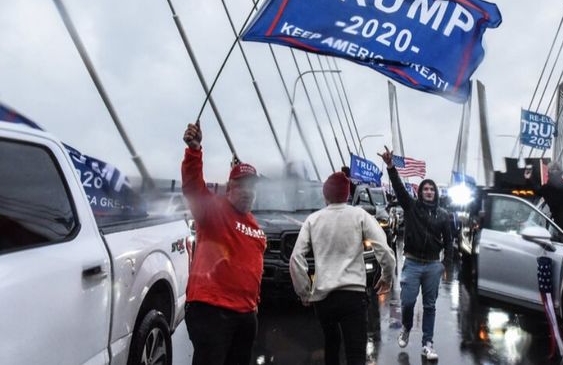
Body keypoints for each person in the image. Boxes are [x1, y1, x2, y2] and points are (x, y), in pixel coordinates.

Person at [181, 122, 267, 365]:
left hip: (245, 314)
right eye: (242, 187)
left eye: (252, 188)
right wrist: (194, 150)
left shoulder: (256, 228)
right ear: (230, 188)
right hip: (212, 310)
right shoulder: (213, 211)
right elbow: (193, 187)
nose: (248, 192)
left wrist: (254, 304)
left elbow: (254, 268)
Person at [290, 171, 395, 365]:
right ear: (347, 194)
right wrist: (386, 277)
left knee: (331, 346)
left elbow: (296, 258)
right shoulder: (359, 215)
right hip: (353, 297)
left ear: (325, 195)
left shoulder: (313, 220)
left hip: (323, 299)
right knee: (355, 354)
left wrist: (304, 291)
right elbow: (385, 250)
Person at [378, 146, 452, 361]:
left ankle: (427, 343)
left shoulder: (443, 215)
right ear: (420, 192)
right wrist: (391, 166)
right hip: (412, 263)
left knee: (429, 306)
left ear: (435, 193)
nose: (429, 191)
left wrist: (444, 265)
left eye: (432, 189)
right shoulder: (411, 207)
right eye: (425, 189)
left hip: (432, 266)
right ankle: (407, 327)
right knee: (408, 302)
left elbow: (449, 241)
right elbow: (400, 189)